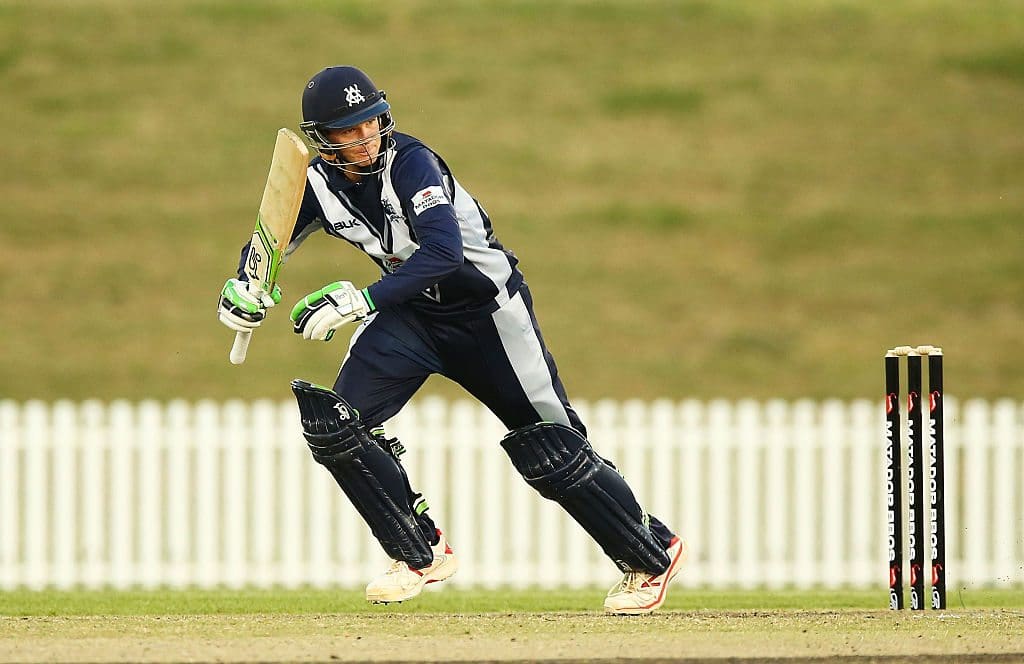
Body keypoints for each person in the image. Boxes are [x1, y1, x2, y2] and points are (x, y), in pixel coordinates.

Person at [217, 65, 687, 614]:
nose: (365, 138)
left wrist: (362, 301)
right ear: (323, 139)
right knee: (337, 424)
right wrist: (246, 288)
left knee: (553, 447)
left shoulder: (412, 163)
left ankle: (651, 553)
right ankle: (419, 552)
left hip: (487, 314)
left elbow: (444, 254)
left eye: (370, 122)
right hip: (413, 317)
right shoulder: (317, 184)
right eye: (348, 130)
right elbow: (269, 243)